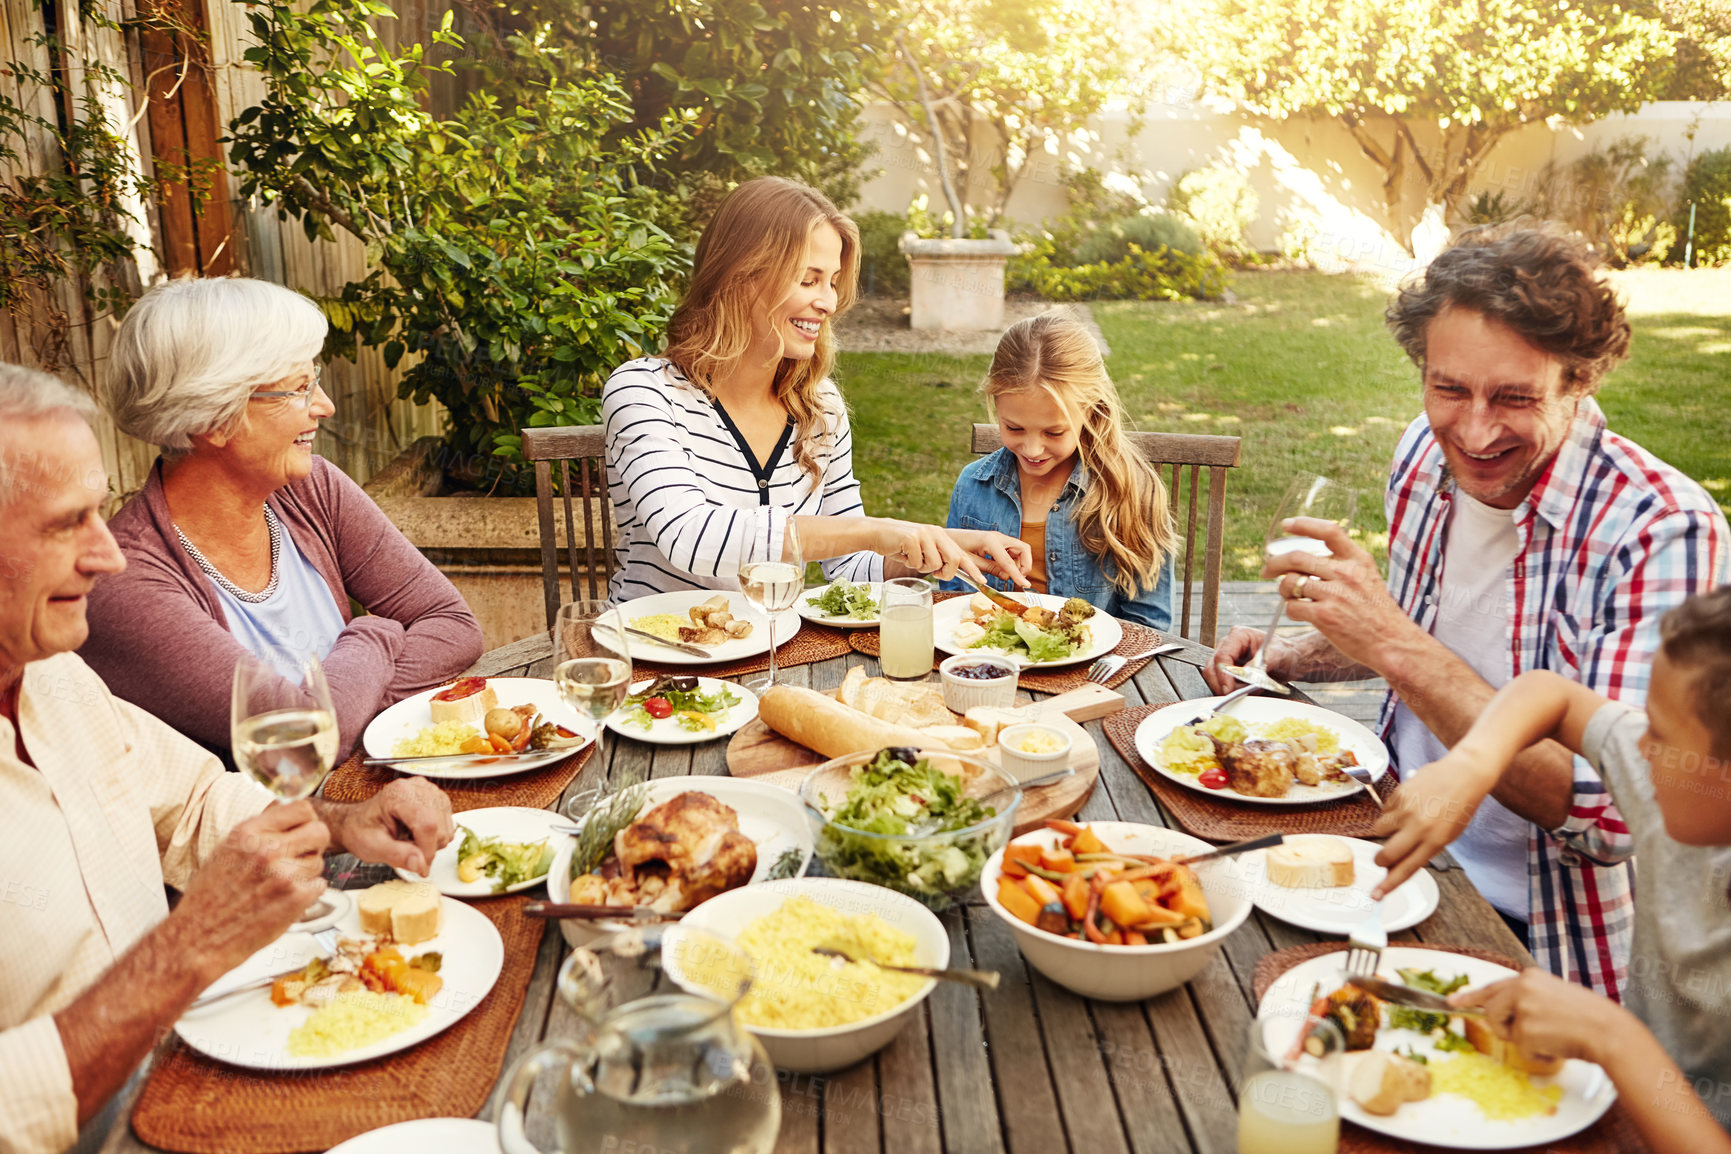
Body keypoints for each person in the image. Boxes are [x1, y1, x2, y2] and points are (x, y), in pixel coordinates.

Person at [1203, 225, 1729, 996]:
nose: (1474, 431)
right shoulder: (1424, 452)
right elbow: (1429, 632)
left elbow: (1614, 817)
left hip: (1539, 937)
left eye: (1514, 397)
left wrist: (1389, 643)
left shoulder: (1660, 532)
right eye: (1449, 389)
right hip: (1376, 849)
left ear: (1578, 379)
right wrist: (1302, 653)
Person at [0, 363, 455, 1154]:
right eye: (66, 524)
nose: (108, 557)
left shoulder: (53, 677)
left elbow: (199, 800)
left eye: (100, 514)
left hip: (203, 1065)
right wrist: (188, 948)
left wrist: (344, 822)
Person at [1370, 588, 1731, 1149]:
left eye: (1660, 735)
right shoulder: (1687, 796)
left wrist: (1612, 1038)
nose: (1642, 747)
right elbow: (1552, 694)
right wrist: (1473, 764)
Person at [78, 277, 484, 762]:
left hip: (367, 798)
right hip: (270, 829)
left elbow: (454, 624)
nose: (325, 405)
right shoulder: (128, 584)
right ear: (212, 417)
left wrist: (342, 710)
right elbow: (302, 741)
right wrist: (373, 633)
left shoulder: (311, 488)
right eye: (299, 388)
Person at [602, 176, 1031, 600]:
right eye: (808, 280)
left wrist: (934, 544)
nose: (828, 302)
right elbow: (691, 537)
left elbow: (847, 564)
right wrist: (877, 531)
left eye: (831, 280)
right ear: (740, 276)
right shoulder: (644, 392)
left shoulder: (819, 406)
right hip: (657, 654)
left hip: (773, 652)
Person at [943, 312, 1178, 630]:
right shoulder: (973, 485)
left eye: (1054, 433)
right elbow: (954, 600)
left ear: (1091, 410)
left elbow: (1148, 623)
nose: (1032, 449)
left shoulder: (1131, 492)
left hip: (1092, 672)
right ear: (995, 405)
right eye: (1014, 428)